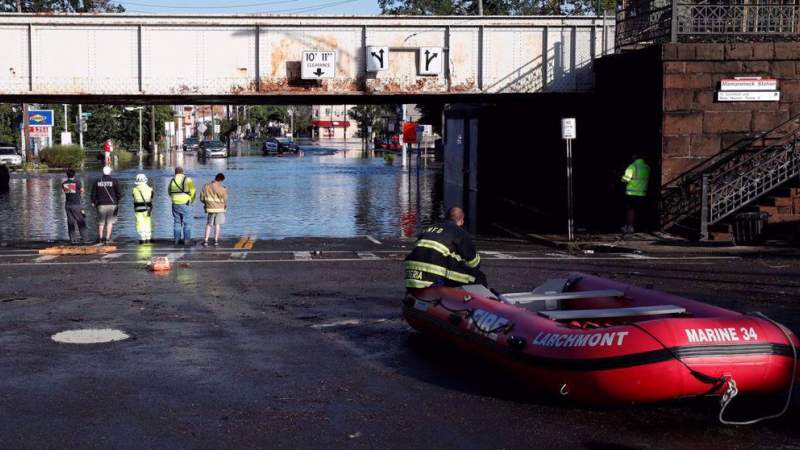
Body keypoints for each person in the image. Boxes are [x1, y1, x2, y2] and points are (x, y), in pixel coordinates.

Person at [404, 206, 487, 290]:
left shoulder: (429, 228)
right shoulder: (460, 233)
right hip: (432, 275)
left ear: (446, 218)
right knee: (479, 277)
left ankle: (413, 294)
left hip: (411, 276)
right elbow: (474, 263)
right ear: (462, 221)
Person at [621, 155, 651, 235]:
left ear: (634, 158)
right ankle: (644, 227)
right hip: (643, 193)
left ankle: (629, 227)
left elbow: (626, 179)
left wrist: (622, 178)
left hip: (631, 193)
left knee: (630, 210)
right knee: (642, 210)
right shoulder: (647, 167)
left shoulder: (632, 166)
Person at [91, 166, 122, 244]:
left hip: (100, 204)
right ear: (110, 172)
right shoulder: (114, 181)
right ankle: (107, 238)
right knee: (109, 222)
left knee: (101, 222)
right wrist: (118, 200)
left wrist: (93, 202)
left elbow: (93, 193)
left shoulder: (97, 181)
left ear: (103, 172)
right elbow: (119, 193)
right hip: (112, 204)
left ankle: (100, 238)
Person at [168, 166, 196, 245]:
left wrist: (173, 199)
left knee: (177, 221)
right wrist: (192, 200)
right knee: (187, 222)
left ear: (175, 172)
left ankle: (176, 240)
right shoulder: (188, 180)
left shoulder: (172, 180)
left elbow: (169, 191)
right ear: (182, 172)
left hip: (175, 204)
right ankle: (186, 240)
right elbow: (193, 192)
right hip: (186, 203)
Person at [200, 173, 228, 247]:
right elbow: (225, 199)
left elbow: (202, 198)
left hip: (210, 208)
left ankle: (206, 240)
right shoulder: (222, 188)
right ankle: (216, 241)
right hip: (220, 209)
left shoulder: (206, 186)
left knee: (209, 224)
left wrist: (206, 204)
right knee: (217, 225)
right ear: (221, 180)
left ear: (215, 178)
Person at [62, 168, 87, 244]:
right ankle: (84, 238)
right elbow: (82, 190)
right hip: (76, 204)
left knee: (70, 222)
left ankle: (72, 239)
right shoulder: (77, 182)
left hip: (68, 205)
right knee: (81, 221)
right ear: (74, 174)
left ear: (67, 175)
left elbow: (68, 191)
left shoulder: (64, 183)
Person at [132, 173, 154, 244]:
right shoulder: (150, 189)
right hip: (148, 209)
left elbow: (133, 197)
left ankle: (142, 238)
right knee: (148, 222)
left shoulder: (134, 189)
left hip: (138, 209)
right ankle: (148, 237)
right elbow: (152, 197)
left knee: (140, 223)